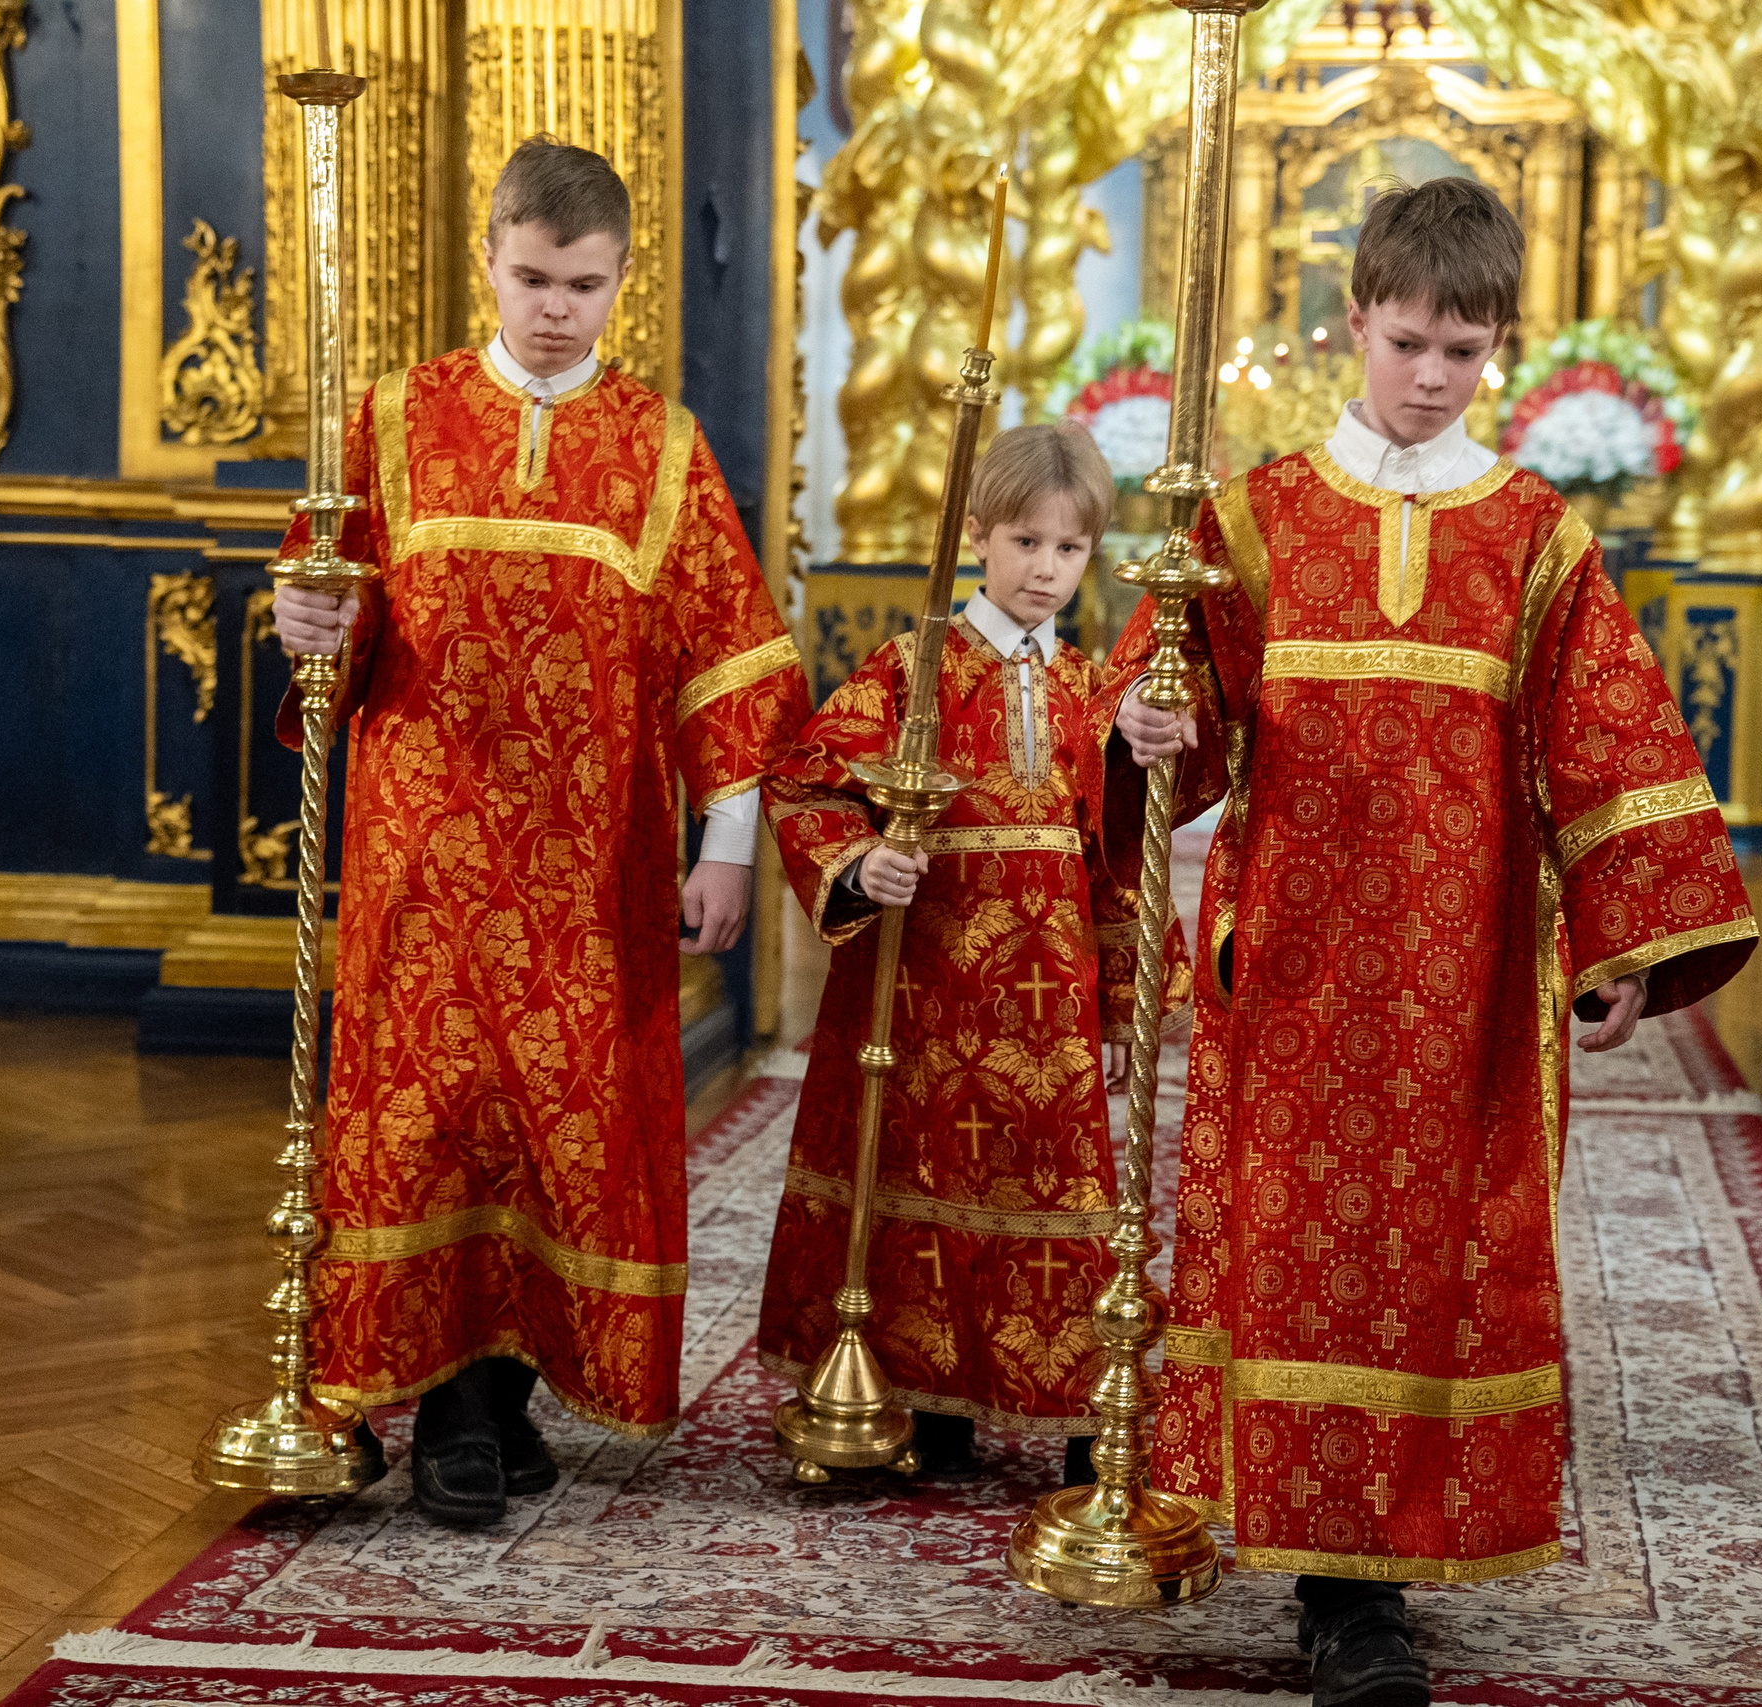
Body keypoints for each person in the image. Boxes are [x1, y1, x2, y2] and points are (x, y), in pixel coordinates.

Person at [1108, 177, 1756, 1707]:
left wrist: (1627, 943)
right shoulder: (1256, 518)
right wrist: (1152, 719)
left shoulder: (1535, 535)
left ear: (1500, 348)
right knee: (1290, 1258)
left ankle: (1379, 1575)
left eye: (1464, 352)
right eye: (1408, 342)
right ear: (1355, 321)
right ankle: (1325, 1571)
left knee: (1432, 1267)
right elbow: (1177, 721)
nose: (1431, 376)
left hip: (1462, 983)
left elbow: (1605, 739)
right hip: (1295, 970)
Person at [272, 136, 808, 1527]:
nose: (555, 307)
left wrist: (729, 842)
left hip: (589, 861)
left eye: (585, 283)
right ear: (488, 259)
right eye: (531, 277)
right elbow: (332, 601)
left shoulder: (660, 445)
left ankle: (501, 1395)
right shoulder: (392, 419)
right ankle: (447, 1402)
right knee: (433, 1114)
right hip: (423, 849)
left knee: (561, 1123)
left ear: (622, 279)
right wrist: (308, 620)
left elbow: (727, 655)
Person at [757, 423, 1169, 1484]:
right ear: (978, 536)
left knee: (1063, 1187)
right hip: (929, 988)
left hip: (1052, 1003)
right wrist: (859, 865)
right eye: (1025, 542)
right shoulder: (911, 670)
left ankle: (1084, 1407)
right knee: (921, 1179)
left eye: (1069, 551)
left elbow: (1114, 854)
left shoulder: (1088, 686)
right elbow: (806, 779)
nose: (1044, 569)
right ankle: (922, 1390)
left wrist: (1120, 1004)